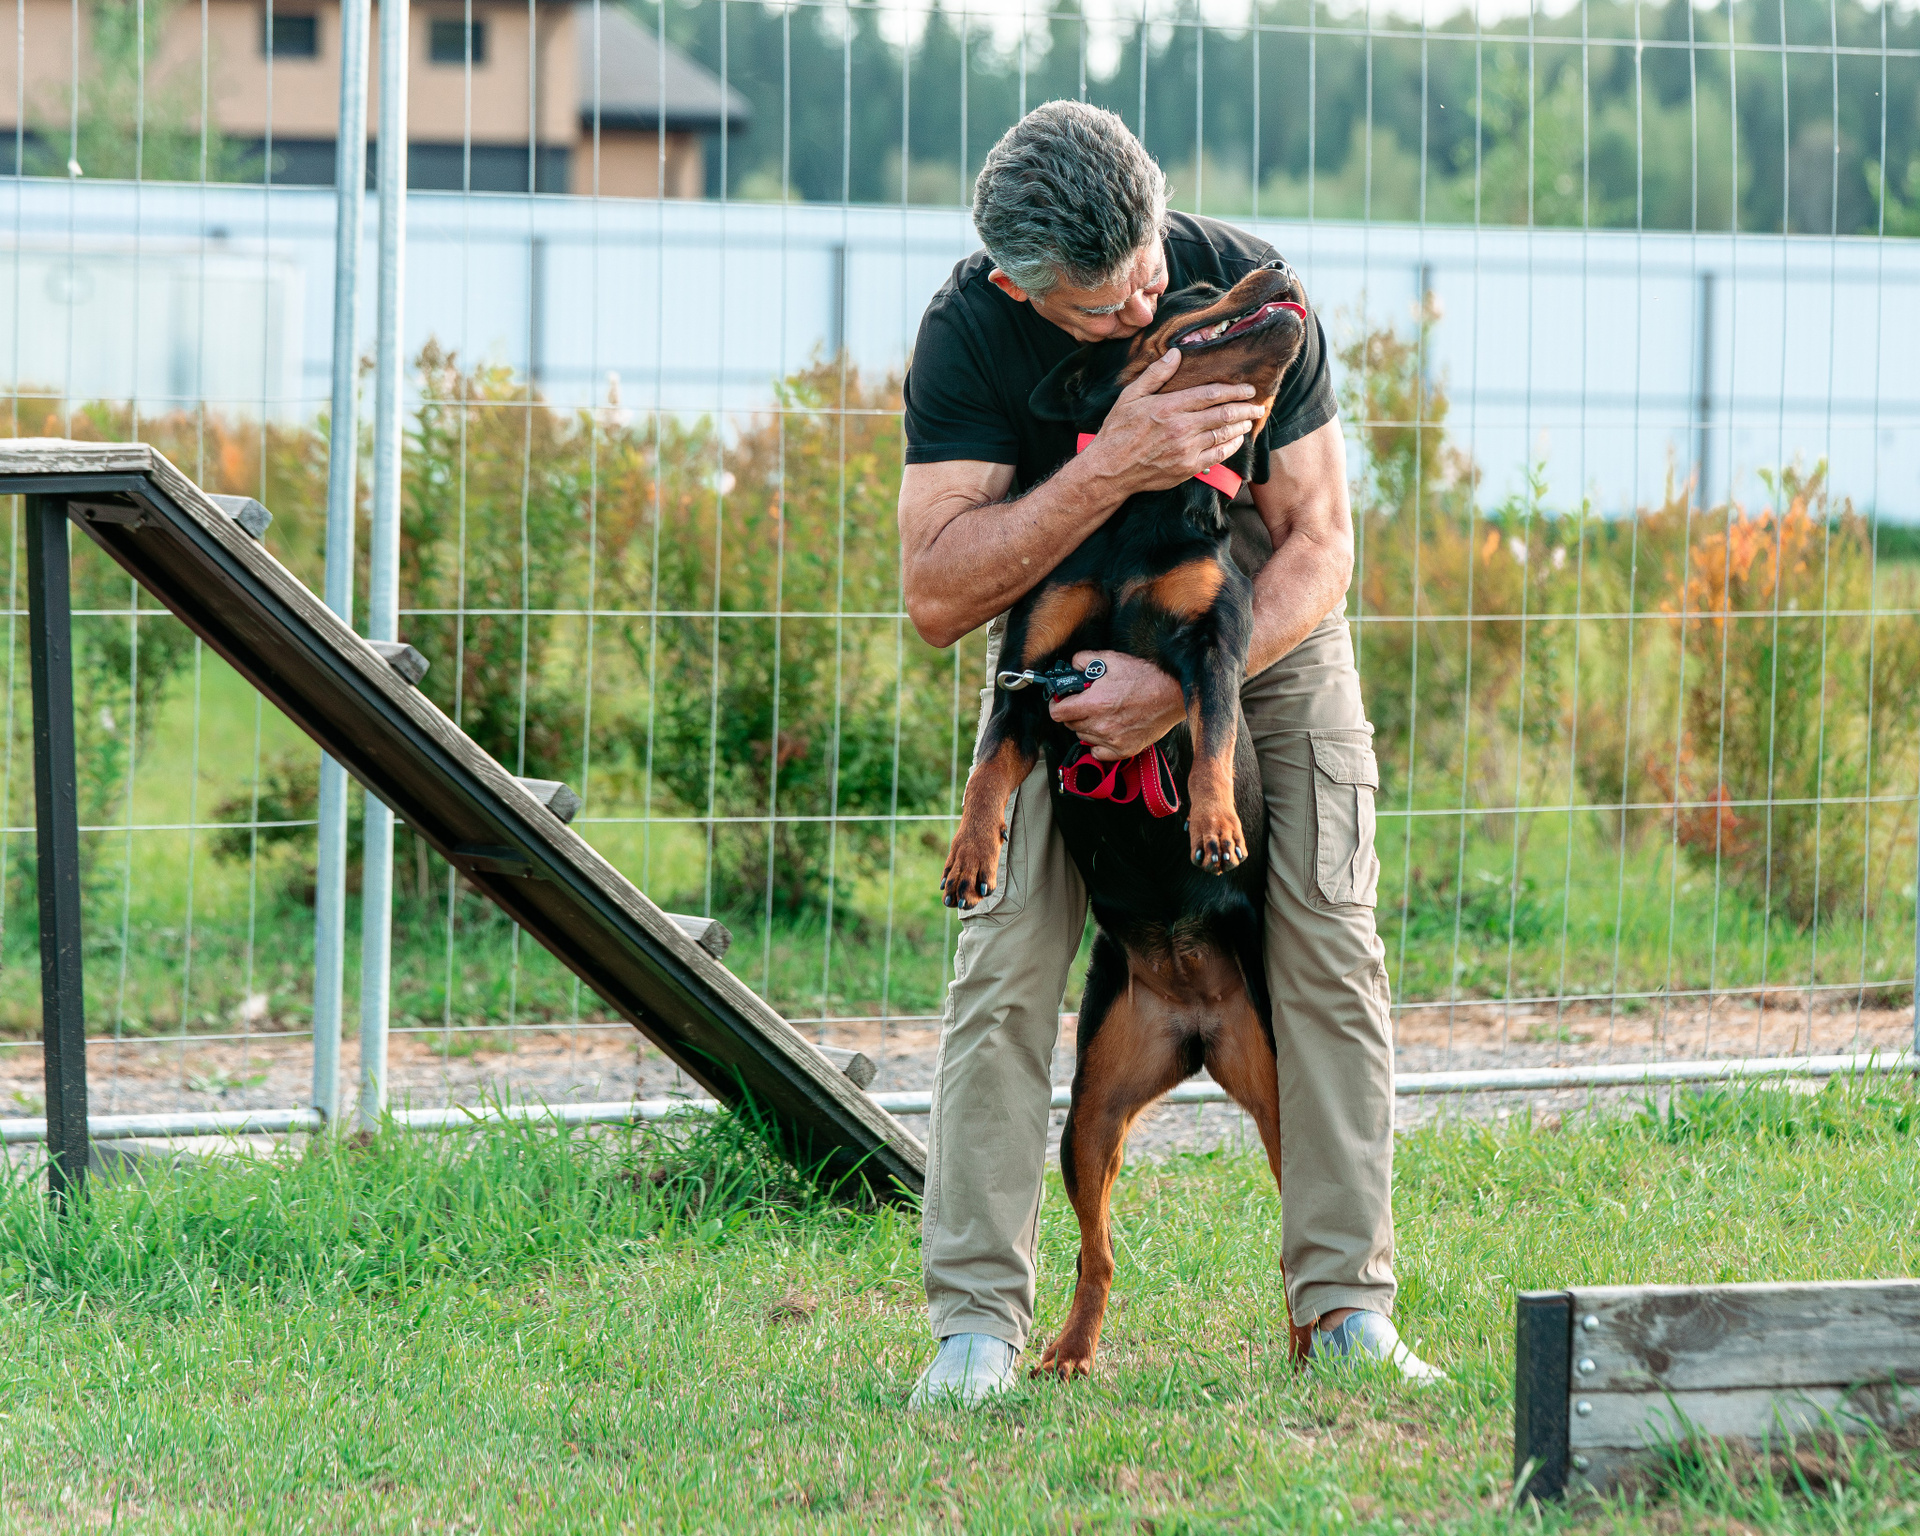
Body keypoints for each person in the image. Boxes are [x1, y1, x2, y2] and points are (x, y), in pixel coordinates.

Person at [896, 101, 1442, 1408]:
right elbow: (937, 593)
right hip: (1068, 646)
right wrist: (1109, 468)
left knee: (1329, 940)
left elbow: (1321, 542)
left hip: (1258, 631)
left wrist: (1187, 692)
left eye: (1148, 271)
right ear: (1021, 287)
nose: (1141, 305)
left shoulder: (1244, 290)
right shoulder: (969, 334)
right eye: (1102, 306)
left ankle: (1347, 1308)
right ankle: (975, 1329)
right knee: (1002, 960)